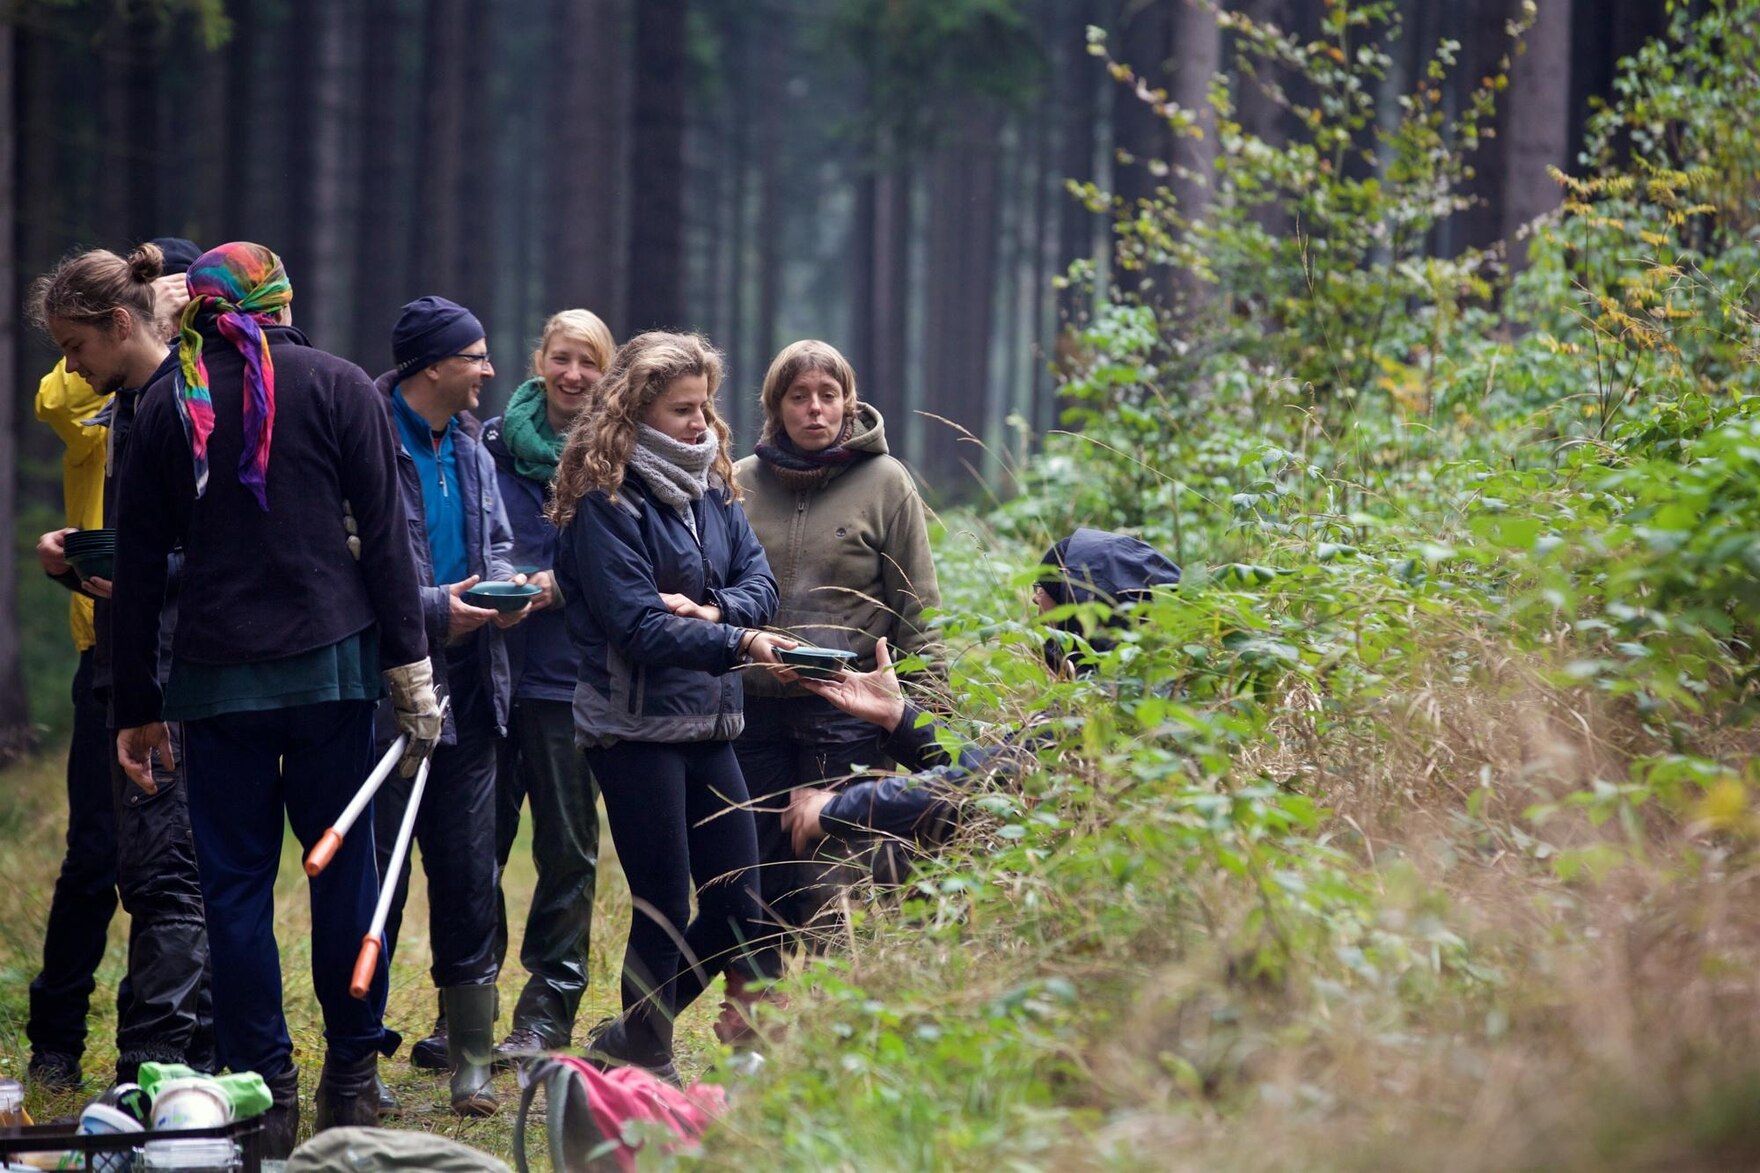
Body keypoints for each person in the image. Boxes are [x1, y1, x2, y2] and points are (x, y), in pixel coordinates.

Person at [106, 242, 441, 1156]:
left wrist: (133, 705)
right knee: (344, 875)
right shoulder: (342, 387)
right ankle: (353, 1079)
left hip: (216, 683)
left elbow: (136, 569)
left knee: (236, 891)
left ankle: (267, 1089)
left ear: (200, 310)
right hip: (333, 665)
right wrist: (411, 672)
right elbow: (385, 539)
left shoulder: (168, 405)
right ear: (282, 300)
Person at [548, 331, 792, 1082]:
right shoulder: (604, 499)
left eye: (705, 405)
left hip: (712, 721)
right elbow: (637, 626)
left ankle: (628, 1033)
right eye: (683, 408)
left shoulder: (713, 484)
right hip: (634, 729)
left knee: (739, 905)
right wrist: (741, 642)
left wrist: (720, 616)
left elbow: (762, 583)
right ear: (635, 409)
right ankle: (648, 1068)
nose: (700, 422)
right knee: (660, 903)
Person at [25, 239, 214, 1089]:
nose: (71, 361)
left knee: (170, 870)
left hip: (178, 654)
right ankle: (71, 1042)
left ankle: (165, 1056)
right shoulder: (113, 397)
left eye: (76, 343)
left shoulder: (184, 395)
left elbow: (209, 539)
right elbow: (60, 398)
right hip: (113, 649)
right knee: (109, 859)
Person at [727, 339, 941, 1033]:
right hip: (751, 711)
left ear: (849, 403)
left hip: (845, 714)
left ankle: (833, 1030)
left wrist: (923, 719)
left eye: (827, 394)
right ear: (775, 406)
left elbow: (920, 609)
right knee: (748, 874)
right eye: (798, 396)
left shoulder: (887, 482)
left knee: (835, 872)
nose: (814, 408)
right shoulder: (738, 481)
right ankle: (750, 1031)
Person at [782, 528, 1180, 854]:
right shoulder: (1133, 684)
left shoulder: (1105, 705)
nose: (1039, 629)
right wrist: (899, 716)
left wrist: (836, 809)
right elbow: (994, 766)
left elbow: (976, 785)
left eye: (1045, 607)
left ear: (1080, 611)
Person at [370, 295, 526, 1116]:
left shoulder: (471, 441)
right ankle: (358, 1060)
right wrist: (437, 607)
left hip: (473, 677)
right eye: (476, 355)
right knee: (378, 880)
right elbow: (349, 559)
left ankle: (471, 1058)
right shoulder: (363, 429)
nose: (489, 371)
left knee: (469, 872)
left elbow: (495, 537)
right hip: (388, 683)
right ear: (433, 365)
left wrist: (508, 588)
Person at [481, 309, 616, 1063]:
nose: (572, 375)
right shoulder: (491, 443)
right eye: (561, 359)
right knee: (478, 845)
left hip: (571, 677)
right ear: (540, 360)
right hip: (491, 669)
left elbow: (638, 560)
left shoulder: (619, 452)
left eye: (587, 363)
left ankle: (546, 1011)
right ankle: (465, 1005)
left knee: (566, 846)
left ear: (606, 372)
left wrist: (561, 584)